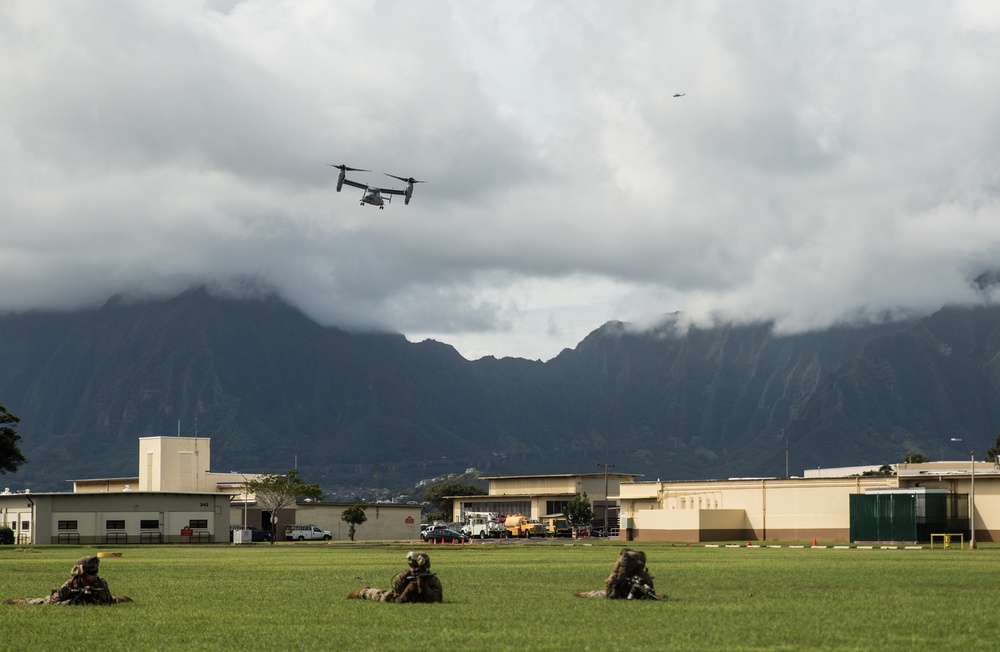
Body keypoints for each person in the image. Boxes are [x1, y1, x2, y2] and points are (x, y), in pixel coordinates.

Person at [4, 556, 132, 605]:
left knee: (117, 600)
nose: (95, 576)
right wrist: (72, 602)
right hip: (61, 600)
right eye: (91, 573)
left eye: (95, 572)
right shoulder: (71, 584)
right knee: (41, 602)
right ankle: (21, 601)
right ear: (82, 573)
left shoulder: (100, 583)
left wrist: (91, 599)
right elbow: (53, 603)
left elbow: (106, 602)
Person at [347, 551, 443, 603]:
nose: (414, 570)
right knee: (381, 596)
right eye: (412, 567)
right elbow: (398, 600)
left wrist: (425, 587)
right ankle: (362, 592)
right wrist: (409, 589)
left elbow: (438, 600)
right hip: (398, 596)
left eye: (418, 568)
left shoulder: (433, 580)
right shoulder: (402, 578)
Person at [575, 548, 662, 599]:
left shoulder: (642, 577)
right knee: (598, 594)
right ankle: (586, 594)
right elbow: (610, 595)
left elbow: (651, 593)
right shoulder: (616, 577)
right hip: (619, 593)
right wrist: (617, 587)